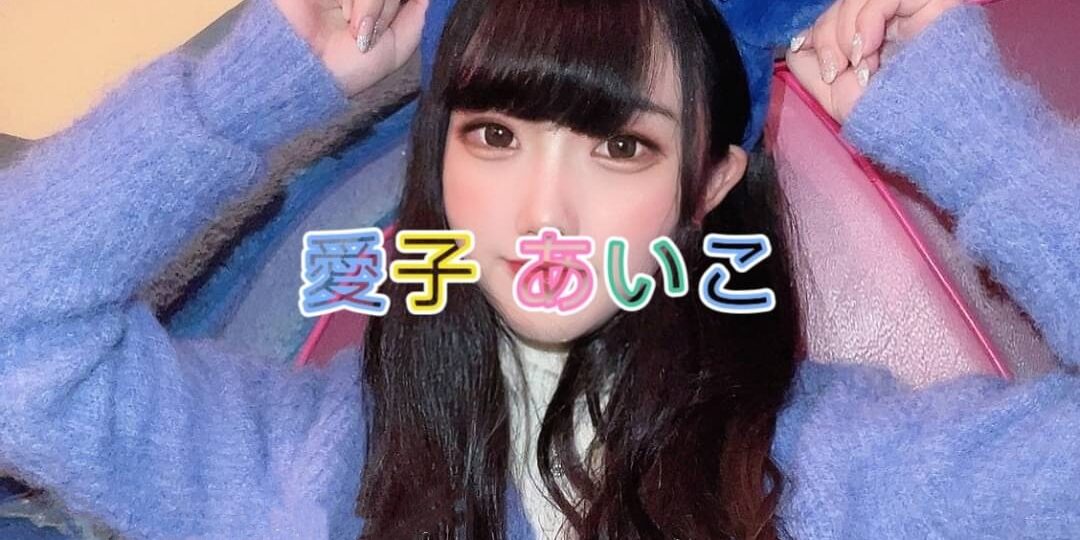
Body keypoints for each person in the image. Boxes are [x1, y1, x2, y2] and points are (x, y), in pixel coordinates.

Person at [0, 0, 1075, 538]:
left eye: (619, 146)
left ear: (706, 187)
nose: (543, 212)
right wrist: (253, 87)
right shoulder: (303, 470)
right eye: (495, 136)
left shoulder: (832, 476)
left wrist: (970, 133)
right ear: (439, 161)